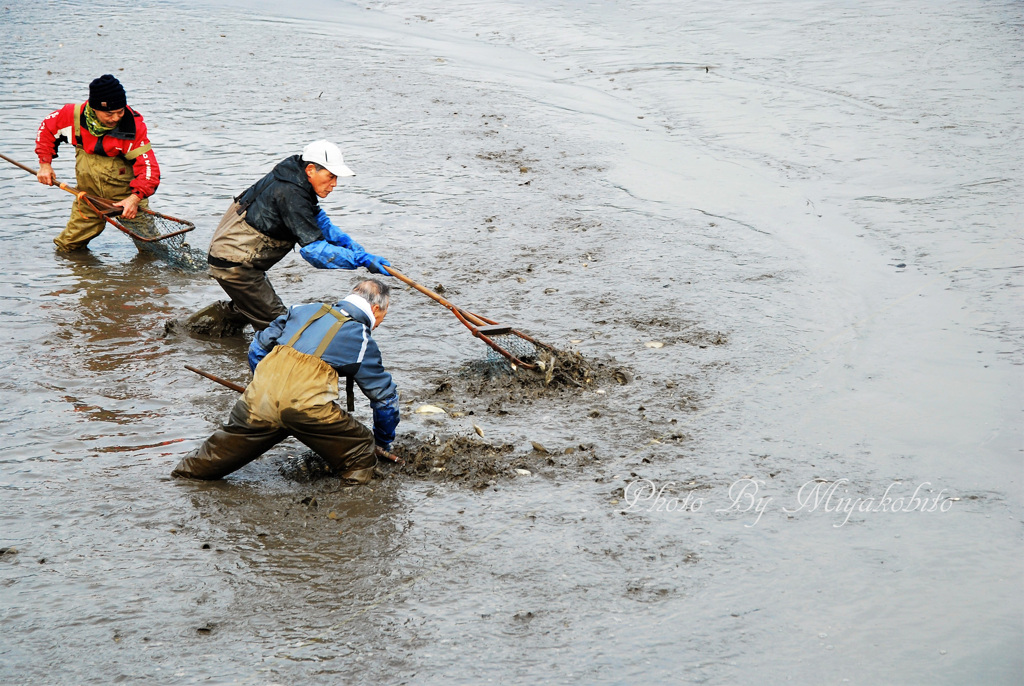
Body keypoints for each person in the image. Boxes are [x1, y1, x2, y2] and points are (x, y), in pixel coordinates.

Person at [172, 279, 400, 484]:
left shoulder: (302, 309)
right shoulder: (360, 337)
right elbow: (385, 399)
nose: (378, 324)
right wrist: (381, 442)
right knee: (360, 448)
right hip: (306, 411)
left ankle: (178, 480)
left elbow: (257, 348)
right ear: (375, 309)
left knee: (213, 456)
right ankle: (355, 500)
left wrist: (262, 386)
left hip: (258, 402)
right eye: (382, 317)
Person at [189, 140, 391, 334]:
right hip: (235, 265)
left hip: (238, 258)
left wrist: (352, 246)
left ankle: (192, 330)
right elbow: (314, 253)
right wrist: (359, 260)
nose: (334, 184)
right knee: (280, 326)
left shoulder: (296, 175)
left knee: (251, 306)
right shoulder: (290, 192)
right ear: (311, 169)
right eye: (331, 176)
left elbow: (318, 221)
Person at [35, 74, 161, 251]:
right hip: (88, 196)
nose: (116, 118)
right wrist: (45, 164)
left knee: (152, 251)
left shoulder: (133, 126)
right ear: (94, 108)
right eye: (109, 113)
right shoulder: (72, 115)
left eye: (120, 111)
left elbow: (149, 169)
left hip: (126, 198)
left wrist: (134, 198)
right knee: (67, 248)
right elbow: (46, 130)